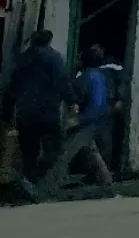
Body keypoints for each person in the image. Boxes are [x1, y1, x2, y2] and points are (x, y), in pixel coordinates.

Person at [0, 29, 75, 195]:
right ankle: (38, 181)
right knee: (54, 150)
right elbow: (63, 83)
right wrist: (72, 101)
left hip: (25, 114)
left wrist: (6, 112)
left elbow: (11, 88)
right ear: (49, 41)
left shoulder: (22, 59)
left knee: (29, 153)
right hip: (48, 113)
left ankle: (28, 183)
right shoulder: (55, 59)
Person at [94, 43, 127, 174]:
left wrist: (120, 99)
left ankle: (106, 167)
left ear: (103, 50)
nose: (95, 52)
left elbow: (122, 81)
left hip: (109, 103)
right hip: (94, 105)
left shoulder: (113, 64)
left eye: (97, 49)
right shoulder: (90, 65)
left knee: (106, 136)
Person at [74, 46, 111, 161]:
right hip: (99, 120)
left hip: (92, 122)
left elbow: (96, 104)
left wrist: (79, 120)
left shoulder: (87, 77)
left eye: (79, 58)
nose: (77, 61)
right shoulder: (98, 75)